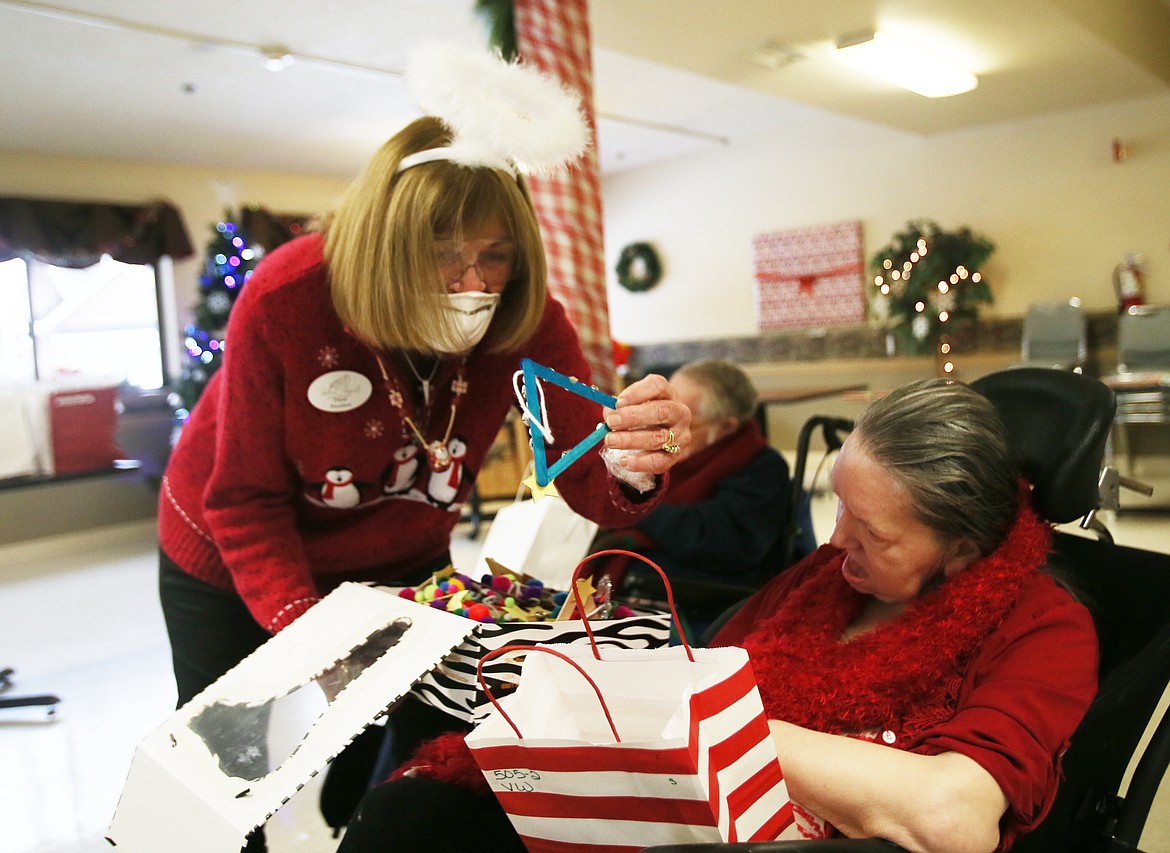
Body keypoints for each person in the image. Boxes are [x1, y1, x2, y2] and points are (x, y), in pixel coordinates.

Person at [154, 43, 690, 844]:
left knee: (388, 723)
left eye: (494, 255)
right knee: (228, 768)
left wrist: (631, 463)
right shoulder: (288, 298)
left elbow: (588, 474)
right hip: (228, 552)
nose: (473, 282)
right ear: (391, 244)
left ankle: (354, 824)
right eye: (444, 254)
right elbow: (245, 499)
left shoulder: (528, 317)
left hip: (397, 554)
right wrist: (311, 631)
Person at [337, 378, 1097, 853]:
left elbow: (951, 816)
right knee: (412, 814)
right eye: (839, 508)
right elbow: (707, 667)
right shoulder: (821, 578)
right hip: (689, 808)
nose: (834, 542)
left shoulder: (1046, 630)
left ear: (964, 549)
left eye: (874, 533)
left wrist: (723, 729)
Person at [589, 359, 792, 630]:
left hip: (704, 597)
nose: (664, 432)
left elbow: (714, 538)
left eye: (681, 422)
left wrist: (635, 503)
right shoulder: (675, 454)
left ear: (726, 427)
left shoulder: (762, 467)